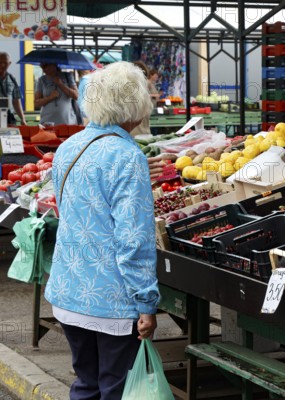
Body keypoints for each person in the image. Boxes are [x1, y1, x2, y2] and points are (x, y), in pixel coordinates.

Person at [45, 61, 161, 400]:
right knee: (116, 388)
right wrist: (146, 302)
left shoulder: (68, 147)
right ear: (133, 106)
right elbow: (133, 240)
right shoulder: (127, 156)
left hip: (69, 293)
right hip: (110, 301)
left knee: (86, 383)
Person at [0, 52, 27, 125]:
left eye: (5, 63)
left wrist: (22, 119)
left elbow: (16, 101)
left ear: (9, 63)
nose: (2, 65)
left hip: (9, 116)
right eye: (0, 62)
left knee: (11, 135)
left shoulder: (12, 79)